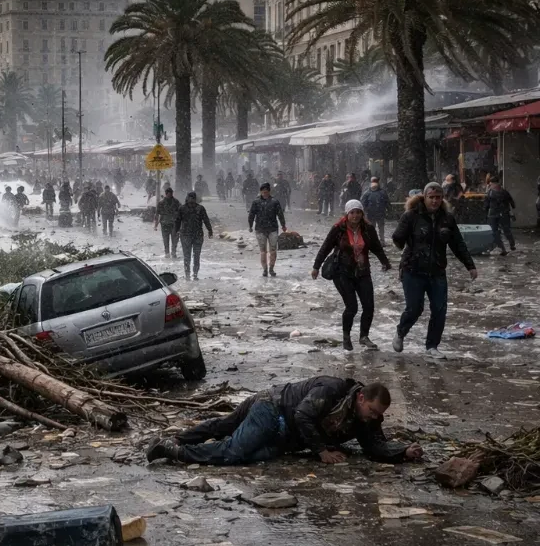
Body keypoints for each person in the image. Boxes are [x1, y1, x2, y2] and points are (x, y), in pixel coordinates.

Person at [145, 376, 424, 466]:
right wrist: (322, 451)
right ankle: (174, 448)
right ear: (362, 398)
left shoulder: (367, 420)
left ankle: (179, 439)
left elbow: (374, 445)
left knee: (245, 448)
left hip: (285, 436)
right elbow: (303, 414)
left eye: (378, 415)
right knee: (235, 448)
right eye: (373, 411)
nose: (374, 418)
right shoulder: (333, 390)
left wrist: (403, 451)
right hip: (274, 408)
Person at [391, 182, 478, 359]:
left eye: (438, 197)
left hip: (437, 270)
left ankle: (432, 346)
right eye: (431, 197)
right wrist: (400, 240)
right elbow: (398, 238)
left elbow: (457, 244)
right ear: (424, 197)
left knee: (439, 309)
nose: (435, 201)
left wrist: (470, 265)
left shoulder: (447, 218)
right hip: (413, 270)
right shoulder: (411, 216)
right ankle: (401, 332)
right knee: (415, 308)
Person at [312, 200, 392, 351]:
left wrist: (385, 262)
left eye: (358, 212)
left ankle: (364, 336)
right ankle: (346, 336)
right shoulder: (338, 229)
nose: (355, 216)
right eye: (352, 212)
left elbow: (376, 247)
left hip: (362, 271)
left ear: (362, 213)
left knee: (369, 306)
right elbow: (326, 247)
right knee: (352, 307)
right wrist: (316, 266)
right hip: (342, 272)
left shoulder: (368, 229)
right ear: (347, 214)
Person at [248, 182, 287, 277]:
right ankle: (265, 269)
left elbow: (280, 214)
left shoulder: (275, 202)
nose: (265, 194)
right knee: (263, 251)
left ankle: (271, 268)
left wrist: (283, 225)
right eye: (263, 192)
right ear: (261, 192)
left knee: (273, 250)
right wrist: (250, 225)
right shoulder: (256, 202)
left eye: (266, 192)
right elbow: (251, 215)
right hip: (260, 229)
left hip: (272, 229)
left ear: (269, 192)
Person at [174, 191, 213, 280]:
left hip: (194, 235)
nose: (191, 200)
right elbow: (177, 221)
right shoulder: (183, 209)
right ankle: (189, 274)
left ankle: (193, 274)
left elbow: (206, 220)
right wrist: (176, 232)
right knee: (190, 256)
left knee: (194, 255)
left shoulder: (199, 208)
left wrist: (210, 230)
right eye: (190, 198)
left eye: (192, 198)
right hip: (189, 235)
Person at [485, 175, 516, 256]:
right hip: (500, 214)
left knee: (498, 231)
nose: (491, 186)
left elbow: (486, 205)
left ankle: (508, 246)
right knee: (502, 231)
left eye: (491, 184)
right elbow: (512, 203)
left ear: (494, 183)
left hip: (496, 214)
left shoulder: (491, 192)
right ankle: (506, 247)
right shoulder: (502, 192)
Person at [359, 176, 391, 240]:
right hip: (371, 214)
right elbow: (363, 203)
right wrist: (364, 212)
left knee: (381, 228)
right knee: (371, 228)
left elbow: (387, 202)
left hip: (380, 213)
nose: (374, 183)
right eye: (373, 181)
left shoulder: (382, 192)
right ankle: (372, 240)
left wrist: (389, 210)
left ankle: (382, 240)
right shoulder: (367, 193)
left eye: (375, 181)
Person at [155, 187, 181, 259]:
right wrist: (155, 225)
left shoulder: (176, 202)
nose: (171, 195)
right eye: (169, 193)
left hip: (174, 224)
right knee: (166, 240)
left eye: (172, 193)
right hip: (164, 224)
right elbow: (157, 214)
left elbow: (181, 212)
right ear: (166, 194)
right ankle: (167, 254)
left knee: (175, 240)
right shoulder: (161, 203)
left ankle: (173, 253)